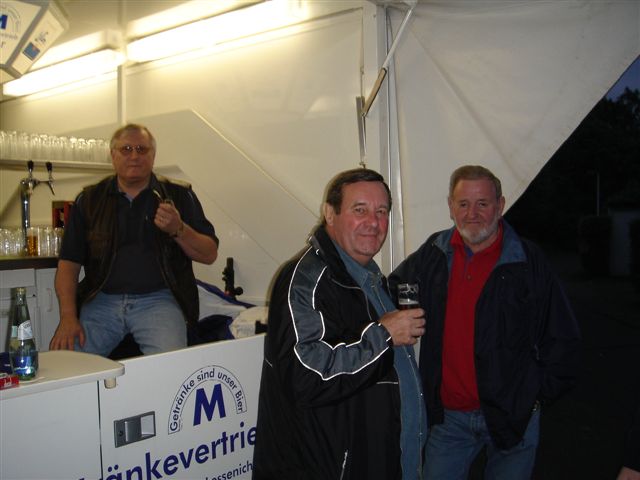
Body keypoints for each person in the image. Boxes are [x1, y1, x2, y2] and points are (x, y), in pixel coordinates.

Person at [390, 165, 581, 479]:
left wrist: (534, 395)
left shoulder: (527, 260)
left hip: (512, 416)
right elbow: (392, 290)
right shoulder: (435, 253)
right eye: (463, 204)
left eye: (483, 203)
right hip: (449, 419)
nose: (472, 214)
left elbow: (562, 335)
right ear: (451, 207)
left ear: (500, 205)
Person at [253, 168, 428, 480]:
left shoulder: (370, 278)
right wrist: (384, 336)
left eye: (381, 211)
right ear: (329, 213)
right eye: (359, 210)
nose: (373, 222)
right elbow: (307, 376)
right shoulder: (307, 279)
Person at [49, 123, 219, 356]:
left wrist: (178, 228)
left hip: (159, 302)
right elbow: (68, 265)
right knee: (70, 364)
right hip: (102, 303)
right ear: (113, 155)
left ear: (153, 155)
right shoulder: (89, 200)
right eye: (126, 149)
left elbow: (209, 254)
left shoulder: (179, 196)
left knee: (172, 367)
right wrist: (68, 318)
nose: (134, 156)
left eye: (142, 149)